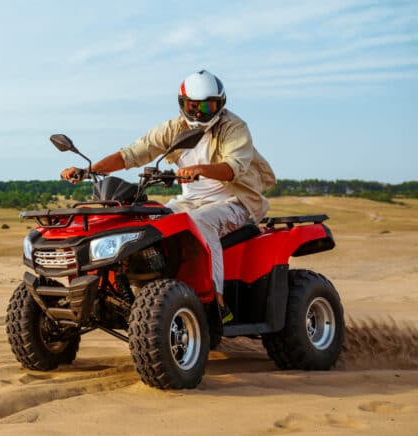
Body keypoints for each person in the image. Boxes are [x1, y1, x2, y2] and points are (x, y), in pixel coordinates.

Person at [60, 69, 276, 323]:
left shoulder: (234, 127)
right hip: (190, 203)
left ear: (221, 104)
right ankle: (136, 290)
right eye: (193, 106)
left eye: (208, 106)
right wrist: (89, 170)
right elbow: (132, 154)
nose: (199, 113)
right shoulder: (174, 129)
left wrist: (199, 170)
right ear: (182, 103)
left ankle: (215, 301)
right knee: (149, 224)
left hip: (235, 203)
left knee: (201, 222)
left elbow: (233, 168)